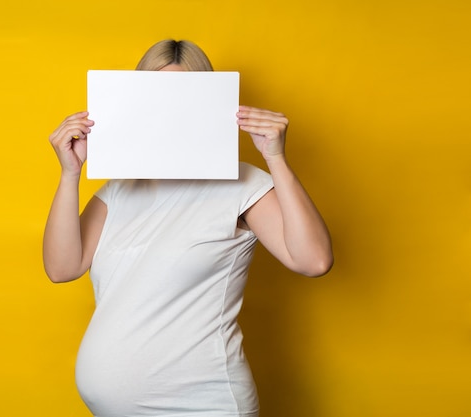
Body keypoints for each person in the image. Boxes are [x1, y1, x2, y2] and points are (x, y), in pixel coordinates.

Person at [43, 39, 333, 417]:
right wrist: (70, 174)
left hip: (202, 404)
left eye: (184, 96)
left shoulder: (242, 183)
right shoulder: (118, 189)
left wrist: (275, 157)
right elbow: (62, 268)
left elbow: (312, 260)